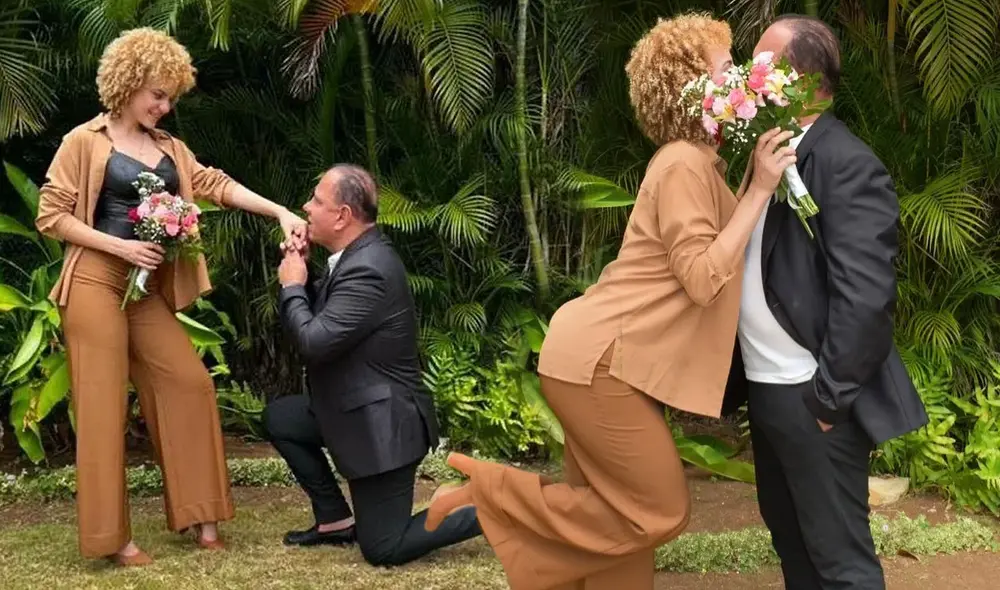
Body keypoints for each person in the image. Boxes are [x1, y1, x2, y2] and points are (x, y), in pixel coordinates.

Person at [424, 14, 799, 590]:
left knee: (618, 526)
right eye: (727, 69)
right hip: (599, 365)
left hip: (600, 360)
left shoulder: (700, 165)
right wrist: (760, 191)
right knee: (658, 511)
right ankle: (492, 494)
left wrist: (753, 183)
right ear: (690, 89)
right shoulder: (681, 164)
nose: (741, 79)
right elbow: (702, 277)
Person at [34, 28, 308, 565]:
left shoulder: (170, 150)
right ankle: (113, 540)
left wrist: (280, 210)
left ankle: (202, 518)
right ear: (130, 82)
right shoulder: (84, 141)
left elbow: (216, 185)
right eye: (157, 94)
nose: (164, 106)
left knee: (189, 382)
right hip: (93, 279)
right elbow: (52, 215)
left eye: (171, 97)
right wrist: (121, 246)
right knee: (103, 406)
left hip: (144, 291)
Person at [726, 14, 929, 590]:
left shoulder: (846, 162)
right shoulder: (770, 154)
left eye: (762, 64)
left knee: (841, 562)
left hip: (812, 396)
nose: (748, 75)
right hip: (768, 391)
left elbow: (865, 296)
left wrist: (828, 400)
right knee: (792, 545)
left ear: (802, 81)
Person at [263, 164, 482, 566]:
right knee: (282, 418)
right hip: (349, 408)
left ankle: (493, 509)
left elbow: (313, 342)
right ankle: (334, 519)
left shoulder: (369, 269)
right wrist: (304, 271)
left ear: (343, 216)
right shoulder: (353, 257)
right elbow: (329, 321)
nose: (306, 208)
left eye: (317, 200)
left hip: (383, 427)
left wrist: (292, 284)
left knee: (384, 547)